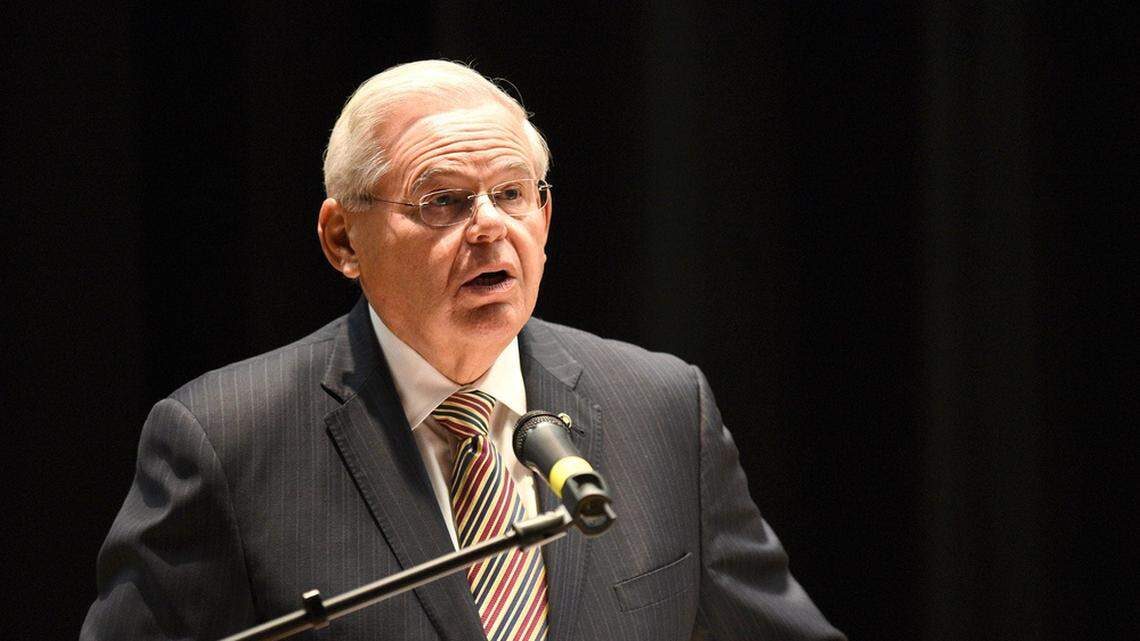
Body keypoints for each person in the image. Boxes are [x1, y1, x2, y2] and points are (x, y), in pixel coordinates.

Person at [80, 60, 845, 641]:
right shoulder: (224, 439)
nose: (488, 226)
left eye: (512, 193)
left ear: (543, 215)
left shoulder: (663, 408)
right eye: (442, 200)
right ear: (343, 238)